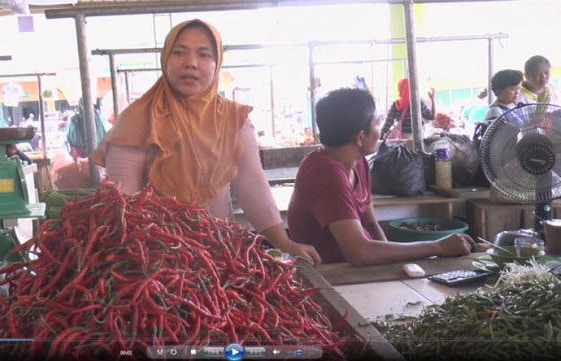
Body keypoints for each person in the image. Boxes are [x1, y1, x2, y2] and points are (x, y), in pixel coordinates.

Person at [89, 19, 321, 265]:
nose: (191, 62)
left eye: (204, 54)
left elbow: (250, 182)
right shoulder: (136, 120)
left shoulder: (234, 119)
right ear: (166, 59)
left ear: (217, 63)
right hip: (154, 263)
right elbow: (122, 201)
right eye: (179, 52)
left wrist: (283, 242)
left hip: (219, 259)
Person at [287, 88, 475, 266]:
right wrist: (438, 246)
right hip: (330, 276)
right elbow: (360, 253)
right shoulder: (327, 174)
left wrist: (394, 266)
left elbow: (370, 224)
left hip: (354, 270)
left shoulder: (358, 163)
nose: (380, 130)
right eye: (377, 123)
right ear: (360, 137)